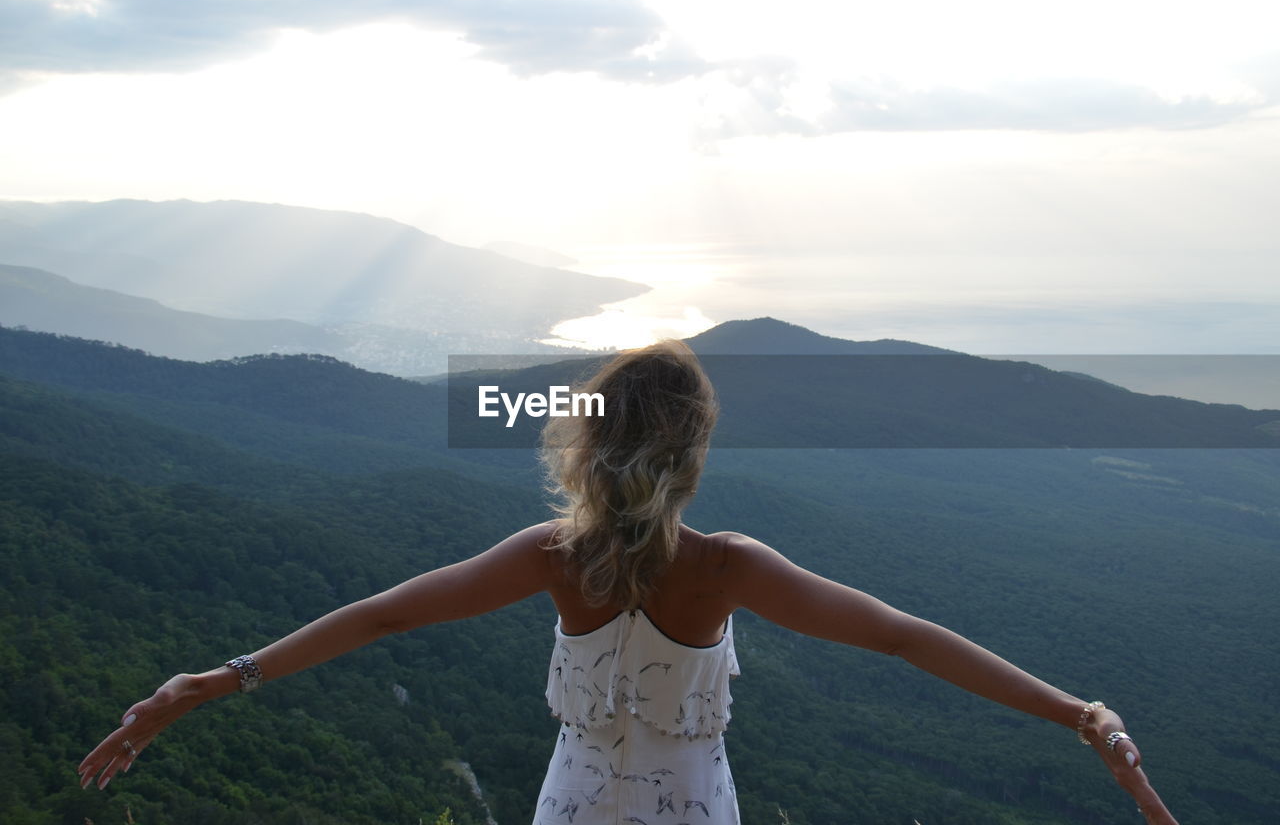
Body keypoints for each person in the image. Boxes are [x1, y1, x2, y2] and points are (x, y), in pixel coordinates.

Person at [79, 339, 1178, 824]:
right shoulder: (727, 570)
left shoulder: (551, 559)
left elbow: (385, 612)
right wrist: (1076, 711)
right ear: (692, 455)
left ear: (587, 445)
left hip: (569, 806)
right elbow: (903, 636)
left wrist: (217, 678)